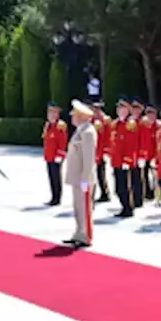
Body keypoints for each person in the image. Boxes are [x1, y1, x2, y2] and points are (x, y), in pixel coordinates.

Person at [63, 100, 98, 248]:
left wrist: (86, 178)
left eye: (74, 115)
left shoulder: (88, 132)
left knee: (85, 208)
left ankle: (86, 236)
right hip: (76, 177)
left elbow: (89, 159)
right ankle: (79, 233)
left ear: (82, 116)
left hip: (83, 178)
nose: (72, 117)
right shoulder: (80, 131)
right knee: (78, 207)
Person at [43, 102, 68, 206]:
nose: (50, 115)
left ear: (57, 114)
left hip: (56, 156)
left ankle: (57, 198)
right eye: (49, 112)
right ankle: (53, 196)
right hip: (49, 155)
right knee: (51, 177)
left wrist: (60, 155)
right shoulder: (48, 125)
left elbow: (63, 142)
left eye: (53, 112)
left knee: (56, 177)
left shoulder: (60, 125)